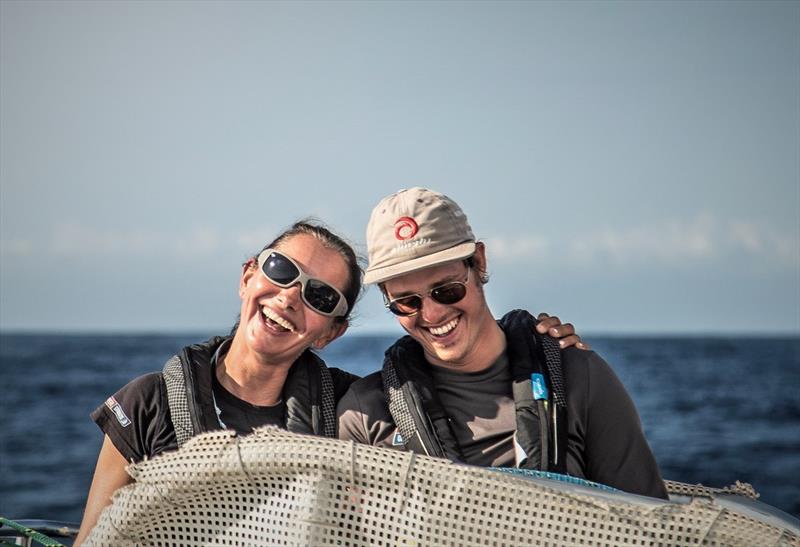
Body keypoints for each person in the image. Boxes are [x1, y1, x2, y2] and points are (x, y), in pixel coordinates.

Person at [75, 219, 583, 544]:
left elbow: (469, 396)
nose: (290, 297)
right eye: (280, 270)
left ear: (330, 334)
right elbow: (92, 538)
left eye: (320, 298)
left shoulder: (354, 408)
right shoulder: (147, 403)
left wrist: (540, 347)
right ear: (248, 275)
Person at [337, 188, 668, 499]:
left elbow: (648, 523)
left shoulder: (581, 377)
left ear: (479, 263)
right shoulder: (364, 415)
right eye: (407, 302)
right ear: (387, 298)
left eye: (447, 289)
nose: (433, 313)